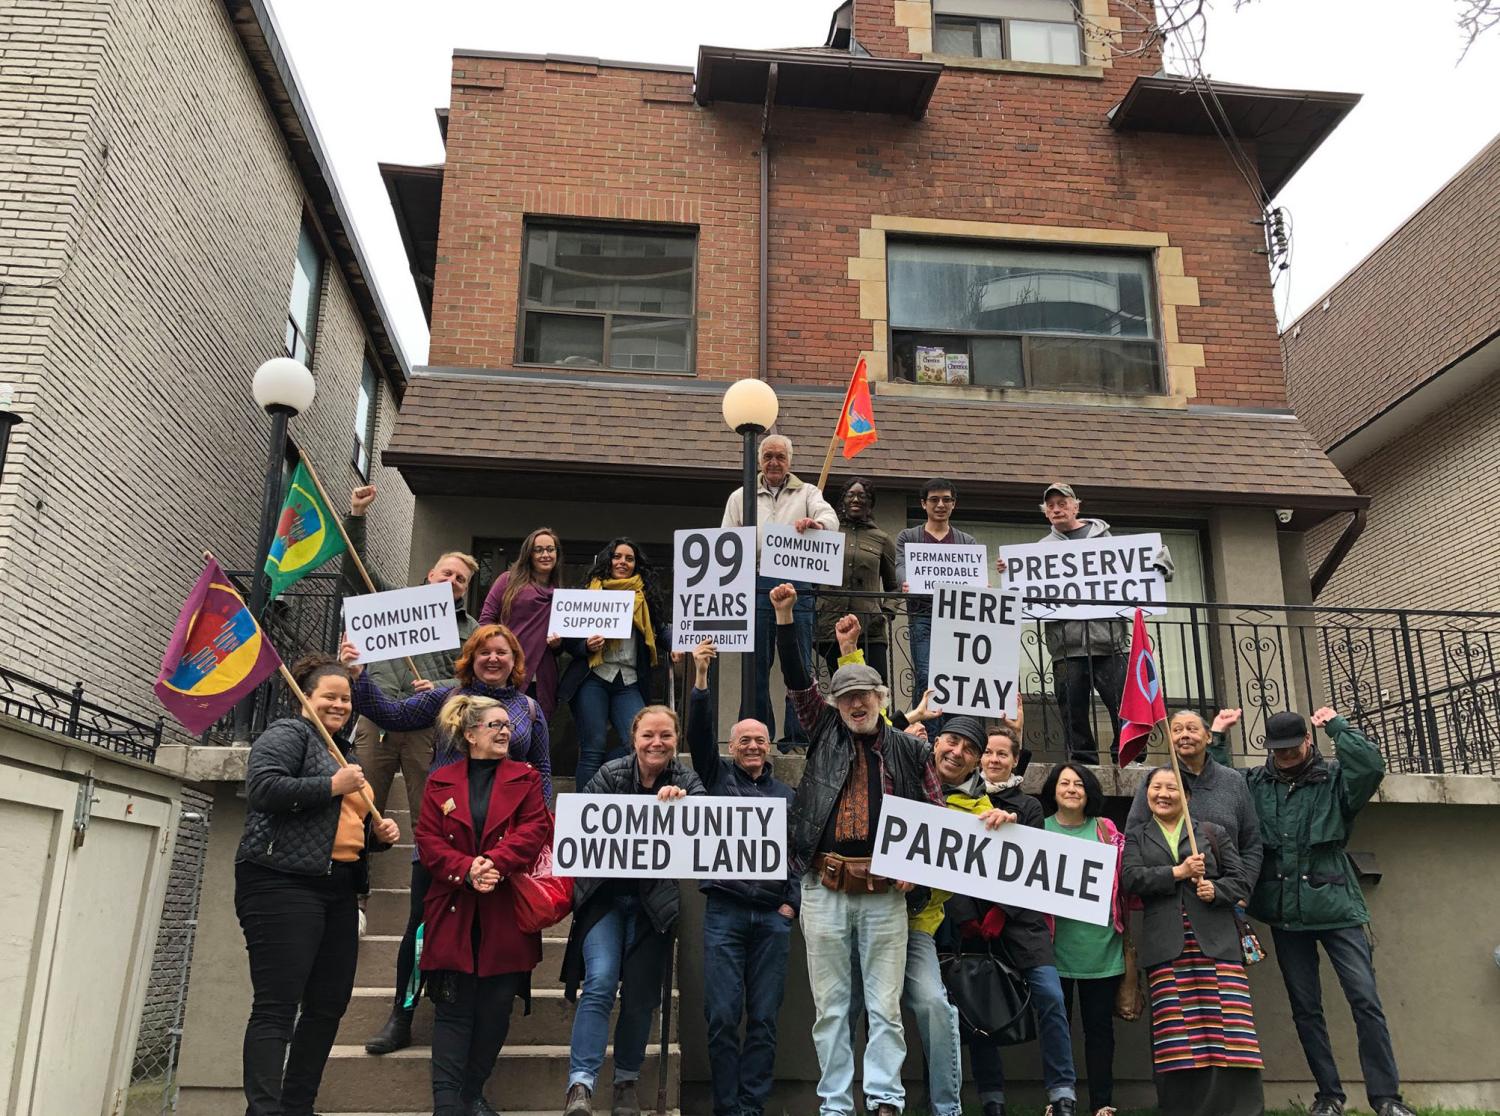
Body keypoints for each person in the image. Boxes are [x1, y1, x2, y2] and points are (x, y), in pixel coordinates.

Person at [772, 582, 943, 1116]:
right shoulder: (824, 731)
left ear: (881, 700)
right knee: (831, 1007)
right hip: (823, 886)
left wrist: (922, 870)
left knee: (885, 1006)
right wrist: (783, 617)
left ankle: (886, 1100)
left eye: (865, 695)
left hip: (886, 892)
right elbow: (801, 680)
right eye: (847, 697)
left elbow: (935, 819)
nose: (856, 703)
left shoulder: (913, 751)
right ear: (837, 705)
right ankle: (836, 1104)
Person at [342, 623, 551, 1057]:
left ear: (515, 662)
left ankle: (490, 1009)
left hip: (504, 852)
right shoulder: (445, 700)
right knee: (419, 927)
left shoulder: (530, 710)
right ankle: (402, 1013)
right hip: (445, 844)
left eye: (502, 652)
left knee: (503, 932)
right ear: (470, 658)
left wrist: (538, 825)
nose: (493, 659)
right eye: (483, 652)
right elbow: (394, 716)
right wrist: (359, 678)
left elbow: (542, 769)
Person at [1211, 707, 1415, 1116]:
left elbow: (1372, 765)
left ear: (1307, 740)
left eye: (1291, 747)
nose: (1284, 755)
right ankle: (1328, 1096)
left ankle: (1387, 1098)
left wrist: (1338, 726)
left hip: (1338, 909)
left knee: (1365, 1001)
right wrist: (1217, 736)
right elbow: (1217, 785)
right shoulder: (1255, 783)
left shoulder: (1338, 779)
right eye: (1277, 749)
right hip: (1285, 913)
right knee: (1305, 1008)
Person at [233, 653, 402, 1116]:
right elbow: (264, 789)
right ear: (304, 698)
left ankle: (297, 1106)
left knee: (328, 1005)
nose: (339, 704)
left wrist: (378, 836)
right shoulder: (288, 734)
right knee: (277, 1006)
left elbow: (337, 826)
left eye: (346, 698)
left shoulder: (341, 751)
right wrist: (334, 784)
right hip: (280, 883)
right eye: (329, 695)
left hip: (338, 887)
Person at [561, 706, 706, 1116]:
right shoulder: (610, 774)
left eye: (665, 735)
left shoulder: (686, 779)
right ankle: (580, 1085)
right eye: (648, 735)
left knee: (641, 999)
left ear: (677, 740)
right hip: (605, 899)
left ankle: (626, 1083)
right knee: (602, 980)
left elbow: (706, 829)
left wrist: (684, 806)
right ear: (634, 738)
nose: (656, 743)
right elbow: (581, 822)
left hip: (653, 908)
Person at [417, 694, 552, 1116]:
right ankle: (446, 1105)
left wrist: (492, 864)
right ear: (470, 734)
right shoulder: (440, 781)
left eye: (507, 725)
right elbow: (427, 840)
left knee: (495, 1009)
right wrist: (466, 870)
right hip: (454, 907)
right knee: (453, 1009)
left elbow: (536, 829)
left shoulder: (526, 777)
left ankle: (472, 1093)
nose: (505, 731)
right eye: (494, 725)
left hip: (504, 908)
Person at [684, 639, 798, 1116]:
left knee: (765, 1019)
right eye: (743, 741)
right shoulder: (715, 779)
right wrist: (702, 679)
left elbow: (799, 851)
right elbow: (697, 735)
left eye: (759, 740)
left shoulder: (787, 794)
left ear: (769, 746)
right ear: (732, 748)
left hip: (773, 916)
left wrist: (791, 901)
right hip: (726, 913)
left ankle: (752, 1106)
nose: (752, 746)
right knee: (722, 1016)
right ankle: (726, 1106)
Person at [947, 725, 1080, 1116]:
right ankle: (992, 1099)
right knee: (981, 1005)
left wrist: (1002, 912)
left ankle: (1062, 1092)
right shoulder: (954, 799)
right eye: (987, 752)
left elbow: (1033, 869)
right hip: (971, 924)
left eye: (1002, 754)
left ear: (1014, 759)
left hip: (1022, 924)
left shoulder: (1030, 807)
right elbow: (946, 869)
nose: (993, 759)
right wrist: (969, 917)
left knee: (1051, 999)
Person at [1122, 766, 1262, 1116]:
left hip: (1216, 942)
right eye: (1156, 788)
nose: (1164, 794)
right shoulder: (1137, 837)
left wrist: (1216, 889)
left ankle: (1239, 1109)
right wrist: (1177, 873)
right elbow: (1130, 879)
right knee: (1178, 1034)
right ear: (1147, 794)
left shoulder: (1211, 833)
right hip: (1166, 945)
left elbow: (1240, 881)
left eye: (1172, 788)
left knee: (1229, 1029)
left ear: (1187, 796)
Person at [899, 716, 1015, 1116]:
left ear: (977, 762)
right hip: (868, 915)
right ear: (934, 743)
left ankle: (947, 1109)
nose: (957, 752)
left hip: (918, 929)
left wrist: (1006, 830)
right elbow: (865, 724)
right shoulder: (901, 770)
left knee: (936, 1006)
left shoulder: (982, 809)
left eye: (968, 750)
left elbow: (1001, 860)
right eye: (951, 741)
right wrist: (849, 654)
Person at [343, 483, 480, 822]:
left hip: (425, 726)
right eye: (447, 573)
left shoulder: (473, 630)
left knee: (428, 816)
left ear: (466, 588)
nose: (453, 581)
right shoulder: (395, 602)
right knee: (361, 810)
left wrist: (441, 686)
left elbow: (472, 680)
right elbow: (356, 571)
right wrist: (358, 516)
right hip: (376, 717)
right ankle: (353, 874)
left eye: (461, 579)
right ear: (431, 574)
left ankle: (424, 875)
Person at [1030, 483, 1172, 764]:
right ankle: (1083, 764)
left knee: (1123, 705)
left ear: (1076, 506)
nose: (1057, 509)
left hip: (1110, 641)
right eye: (1051, 505)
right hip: (1067, 647)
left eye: (1062, 503)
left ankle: (1129, 755)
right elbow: (1025, 593)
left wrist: (1161, 563)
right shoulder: (1039, 552)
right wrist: (1009, 571)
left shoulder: (1108, 541)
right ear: (1046, 512)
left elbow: (1154, 559)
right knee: (1073, 710)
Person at [721, 434, 838, 750]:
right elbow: (725, 544)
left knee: (796, 664)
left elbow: (831, 519)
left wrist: (816, 524)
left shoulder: (808, 492)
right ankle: (756, 737)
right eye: (768, 456)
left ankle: (797, 739)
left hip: (798, 582)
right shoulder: (740, 496)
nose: (774, 462)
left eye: (780, 457)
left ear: (790, 461)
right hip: (756, 583)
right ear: (759, 460)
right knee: (755, 666)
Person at [1041, 761, 1128, 1116]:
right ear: (1054, 790)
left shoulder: (1106, 830)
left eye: (1079, 783)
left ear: (1088, 791)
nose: (1072, 789)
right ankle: (1058, 1100)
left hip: (1101, 948)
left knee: (1099, 1030)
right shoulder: (1038, 830)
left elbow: (1124, 881)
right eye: (1064, 783)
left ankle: (1101, 1104)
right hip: (1054, 949)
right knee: (1055, 1028)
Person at [558, 537, 671, 790]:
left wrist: (678, 644)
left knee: (637, 743)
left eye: (629, 558)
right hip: (593, 677)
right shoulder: (589, 592)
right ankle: (583, 811)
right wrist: (585, 646)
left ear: (636, 564)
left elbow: (661, 630)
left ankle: (608, 778)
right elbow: (567, 639)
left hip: (629, 681)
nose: (622, 562)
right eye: (617, 556)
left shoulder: (644, 597)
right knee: (592, 748)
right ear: (608, 561)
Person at [1126, 709, 1262, 896]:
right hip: (1167, 899)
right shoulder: (1156, 782)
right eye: (1177, 730)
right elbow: (1135, 835)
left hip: (1223, 898)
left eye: (1191, 729)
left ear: (1208, 737)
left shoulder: (1233, 780)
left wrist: (1241, 893)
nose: (1184, 735)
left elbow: (1251, 842)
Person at [895, 478, 979, 711]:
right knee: (925, 675)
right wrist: (905, 582)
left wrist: (983, 586)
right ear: (924, 504)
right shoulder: (908, 537)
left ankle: (949, 734)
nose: (940, 504)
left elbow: (974, 576)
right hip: (922, 614)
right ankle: (925, 737)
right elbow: (901, 566)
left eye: (946, 500)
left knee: (953, 676)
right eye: (934, 500)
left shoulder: (967, 542)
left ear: (954, 504)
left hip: (956, 618)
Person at [814, 476, 899, 684]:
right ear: (842, 500)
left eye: (862, 495)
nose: (856, 499)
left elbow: (892, 586)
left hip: (870, 630)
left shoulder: (882, 539)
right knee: (842, 689)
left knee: (877, 688)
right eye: (850, 495)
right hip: (830, 627)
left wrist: (886, 613)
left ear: (870, 501)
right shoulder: (827, 533)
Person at [479, 527, 565, 716]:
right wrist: (499, 651)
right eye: (539, 550)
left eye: (550, 549)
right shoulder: (508, 580)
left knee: (535, 732)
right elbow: (485, 621)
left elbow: (559, 644)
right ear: (529, 554)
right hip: (507, 669)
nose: (545, 555)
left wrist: (558, 645)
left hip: (542, 675)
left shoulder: (561, 594)